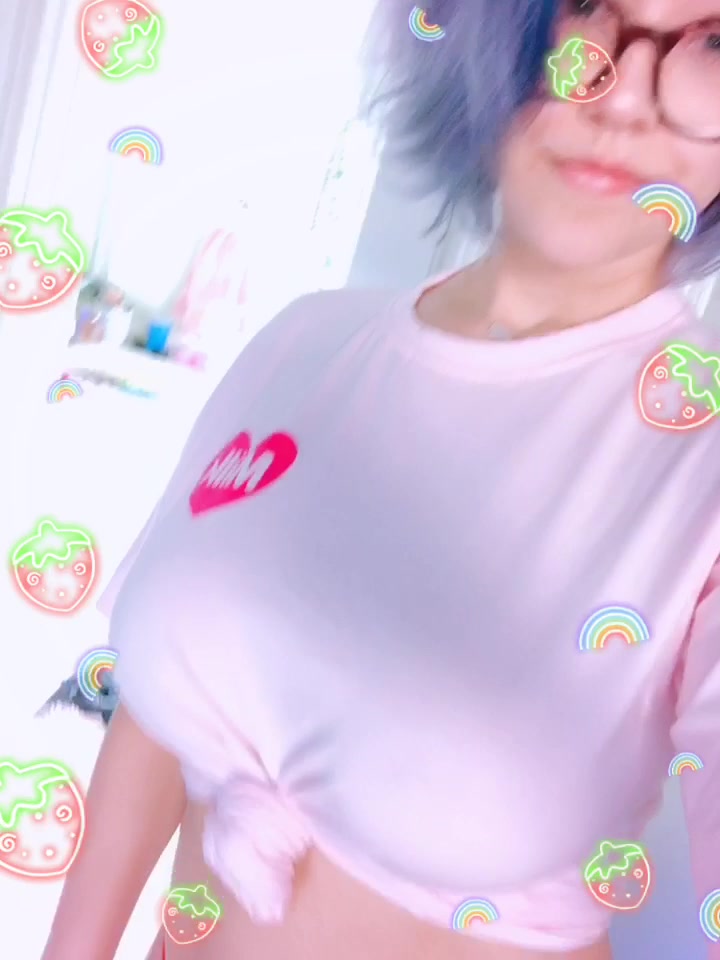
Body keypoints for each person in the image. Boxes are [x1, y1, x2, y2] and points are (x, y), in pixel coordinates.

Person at [41, 0, 720, 957]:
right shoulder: (304, 341)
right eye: (588, 7)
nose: (624, 100)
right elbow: (160, 711)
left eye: (714, 43)